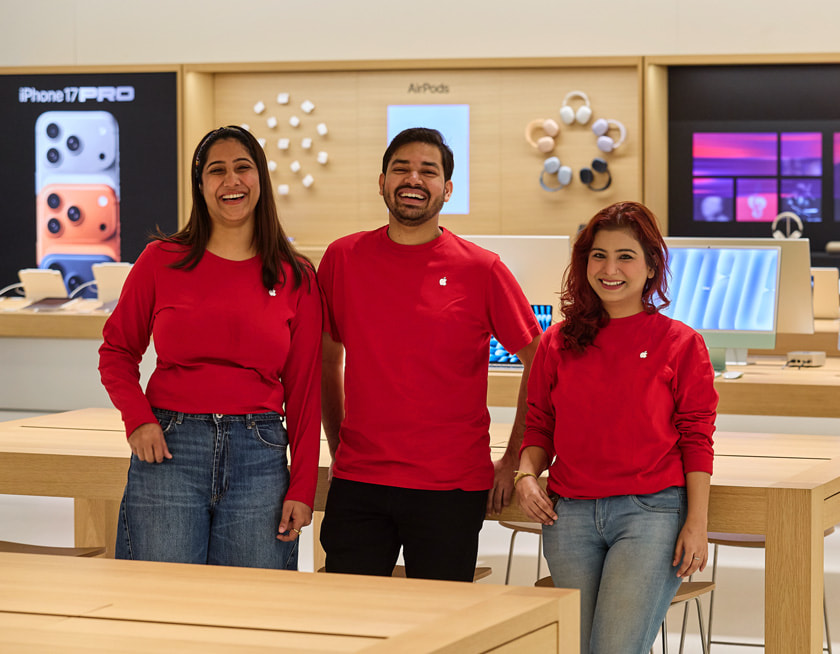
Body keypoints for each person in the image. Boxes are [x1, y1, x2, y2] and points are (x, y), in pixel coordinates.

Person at [317, 127, 541, 581]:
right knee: (345, 619)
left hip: (451, 487)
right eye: (401, 168)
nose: (413, 179)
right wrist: (337, 442)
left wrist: (514, 456)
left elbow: (540, 361)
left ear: (447, 189)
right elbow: (326, 358)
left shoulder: (482, 269)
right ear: (381, 181)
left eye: (428, 171)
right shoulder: (343, 258)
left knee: (439, 630)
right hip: (360, 480)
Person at [99, 125, 322, 569]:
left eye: (243, 168)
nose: (231, 181)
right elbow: (117, 352)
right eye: (217, 171)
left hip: (260, 456)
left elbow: (305, 389)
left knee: (251, 610)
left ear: (260, 178)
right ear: (201, 187)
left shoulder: (296, 275)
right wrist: (138, 421)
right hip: (169, 450)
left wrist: (302, 487)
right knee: (161, 604)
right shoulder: (160, 260)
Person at [514, 201, 717, 653]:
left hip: (650, 515)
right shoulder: (557, 343)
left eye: (625, 256)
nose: (610, 268)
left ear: (650, 267)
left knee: (615, 649)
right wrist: (526, 475)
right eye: (598, 255)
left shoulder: (681, 343)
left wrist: (697, 524)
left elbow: (696, 438)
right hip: (569, 518)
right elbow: (539, 426)